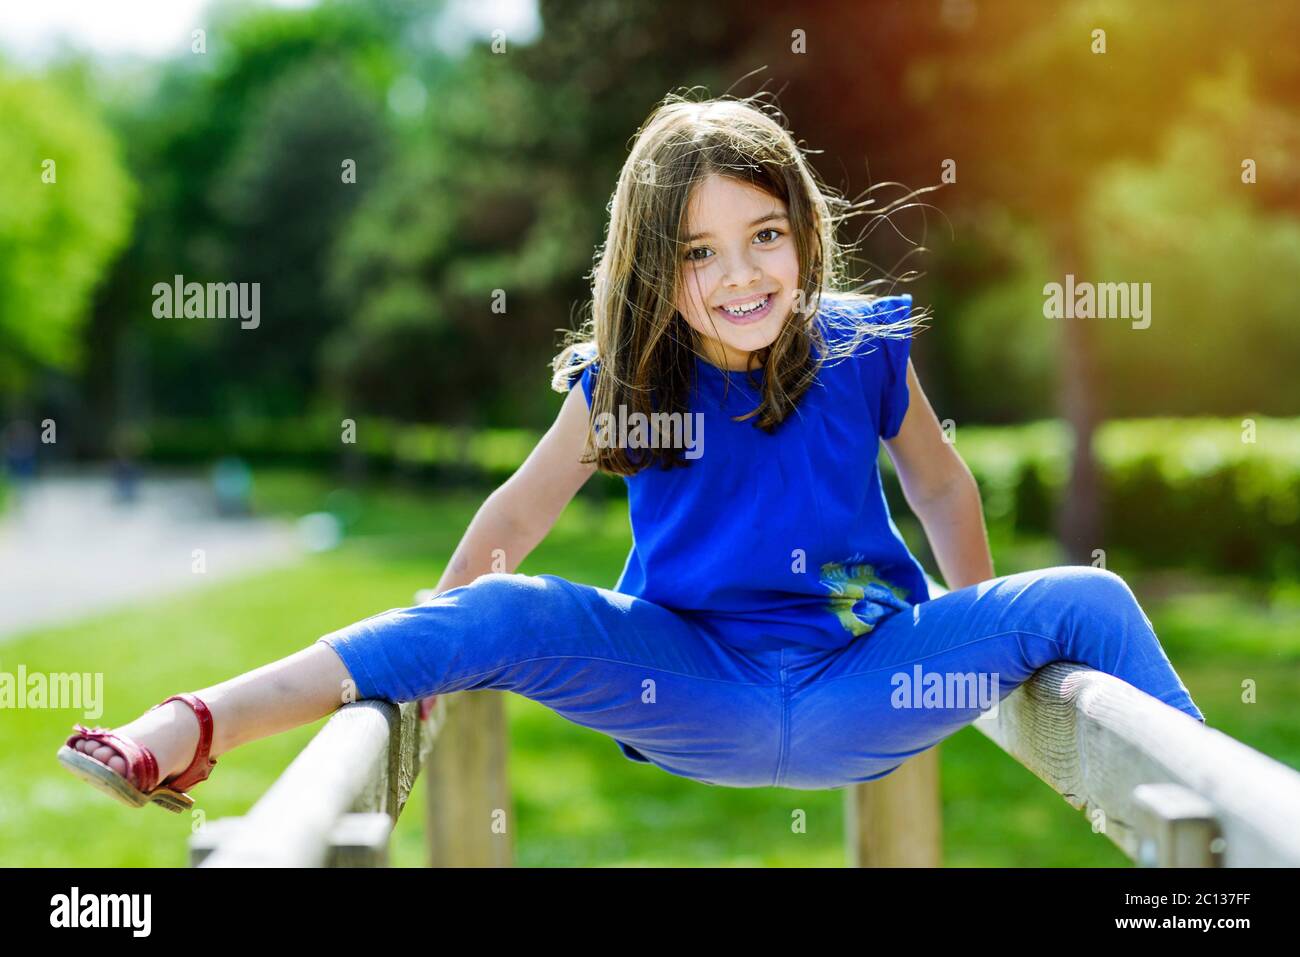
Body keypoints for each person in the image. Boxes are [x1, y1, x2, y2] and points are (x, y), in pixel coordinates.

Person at [58, 93, 1204, 812]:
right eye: (701, 253)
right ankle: (193, 723)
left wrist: (977, 635)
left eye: (764, 236)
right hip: (690, 685)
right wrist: (441, 643)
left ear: (804, 231)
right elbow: (516, 516)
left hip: (867, 677)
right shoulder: (625, 384)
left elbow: (938, 481)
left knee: (1088, 598)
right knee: (506, 608)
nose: (742, 274)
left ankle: (1238, 835)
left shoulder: (861, 348)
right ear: (655, 268)